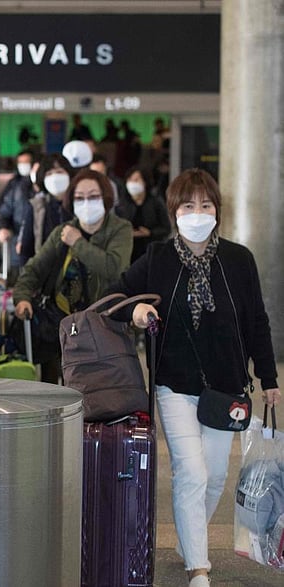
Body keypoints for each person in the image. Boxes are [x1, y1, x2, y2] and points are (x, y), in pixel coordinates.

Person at [110, 168, 279, 587]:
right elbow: (116, 297)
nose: (198, 212)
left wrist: (270, 378)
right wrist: (135, 311)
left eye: (206, 205)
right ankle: (198, 569)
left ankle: (191, 539)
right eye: (189, 205)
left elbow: (257, 320)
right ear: (175, 212)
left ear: (217, 211)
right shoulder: (158, 259)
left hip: (226, 388)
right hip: (175, 385)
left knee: (217, 474)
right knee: (192, 472)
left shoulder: (239, 260)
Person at [14, 169, 133, 383]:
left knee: (97, 392)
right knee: (58, 389)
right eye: (79, 198)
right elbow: (35, 267)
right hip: (61, 325)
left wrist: (78, 243)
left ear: (105, 198)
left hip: (104, 326)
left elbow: (113, 267)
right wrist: (22, 296)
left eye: (93, 196)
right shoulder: (63, 231)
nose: (86, 203)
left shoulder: (120, 229)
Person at [18, 153, 74, 265]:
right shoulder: (36, 206)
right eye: (49, 174)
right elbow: (26, 248)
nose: (54, 177)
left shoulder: (80, 203)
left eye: (59, 172)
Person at [114, 167, 171, 263]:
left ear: (145, 182)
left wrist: (150, 232)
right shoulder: (122, 204)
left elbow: (166, 228)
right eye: (130, 180)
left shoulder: (155, 202)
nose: (132, 183)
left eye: (136, 180)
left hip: (151, 252)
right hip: (128, 253)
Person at [0, 150, 35, 276]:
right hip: (17, 244)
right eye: (21, 162)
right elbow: (4, 212)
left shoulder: (44, 187)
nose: (24, 166)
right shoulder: (14, 186)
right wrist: (3, 228)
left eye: (27, 162)